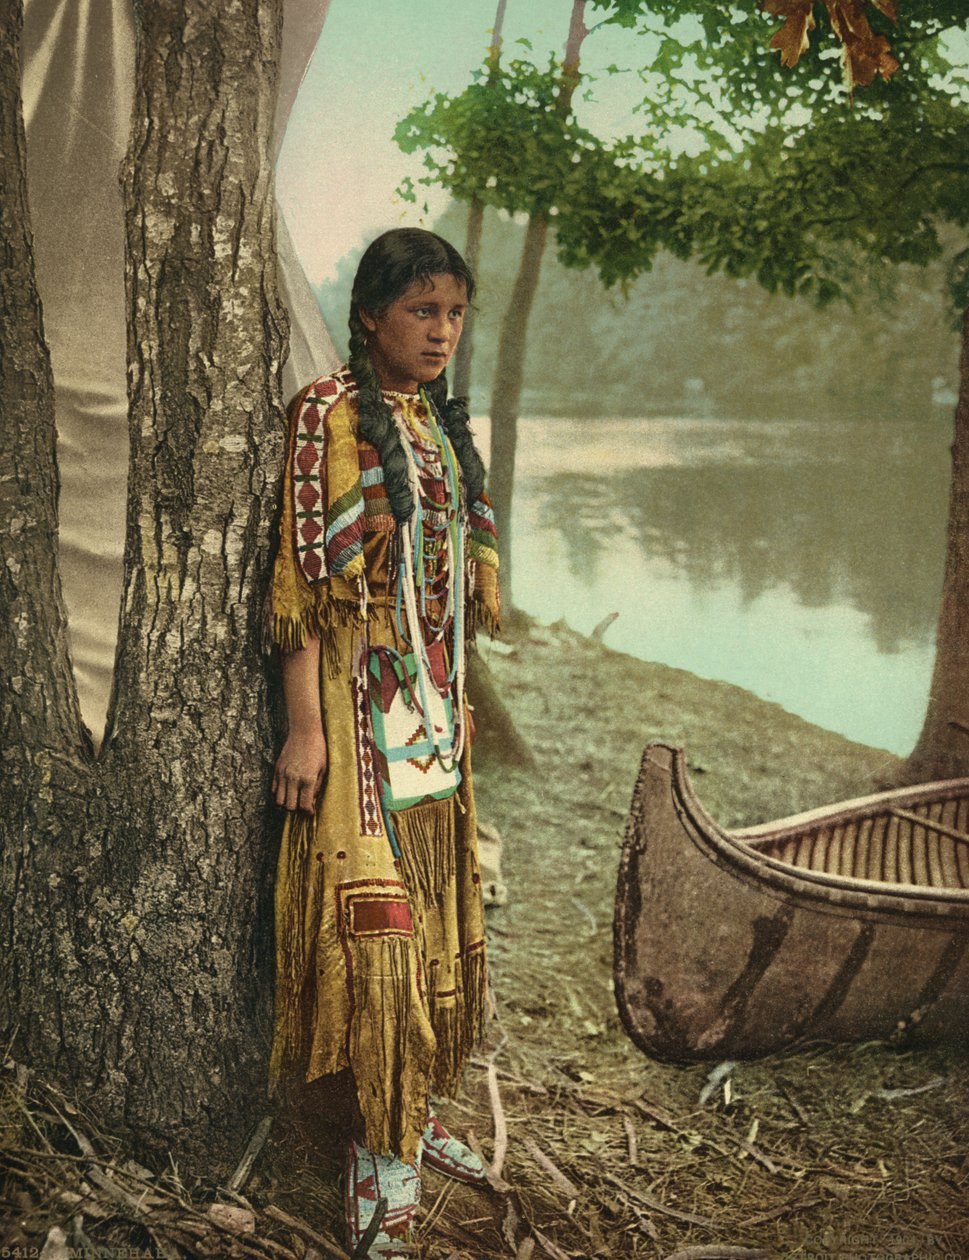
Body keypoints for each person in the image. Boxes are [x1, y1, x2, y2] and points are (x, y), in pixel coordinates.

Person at [264, 228, 500, 1259]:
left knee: (442, 925)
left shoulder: (441, 424)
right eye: (422, 310)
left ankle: (415, 1112)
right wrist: (305, 729)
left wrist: (456, 695)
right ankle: (378, 1154)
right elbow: (302, 583)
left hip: (432, 719)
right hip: (358, 724)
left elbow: (450, 584)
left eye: (453, 312)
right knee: (382, 939)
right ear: (370, 315)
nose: (441, 330)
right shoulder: (328, 415)